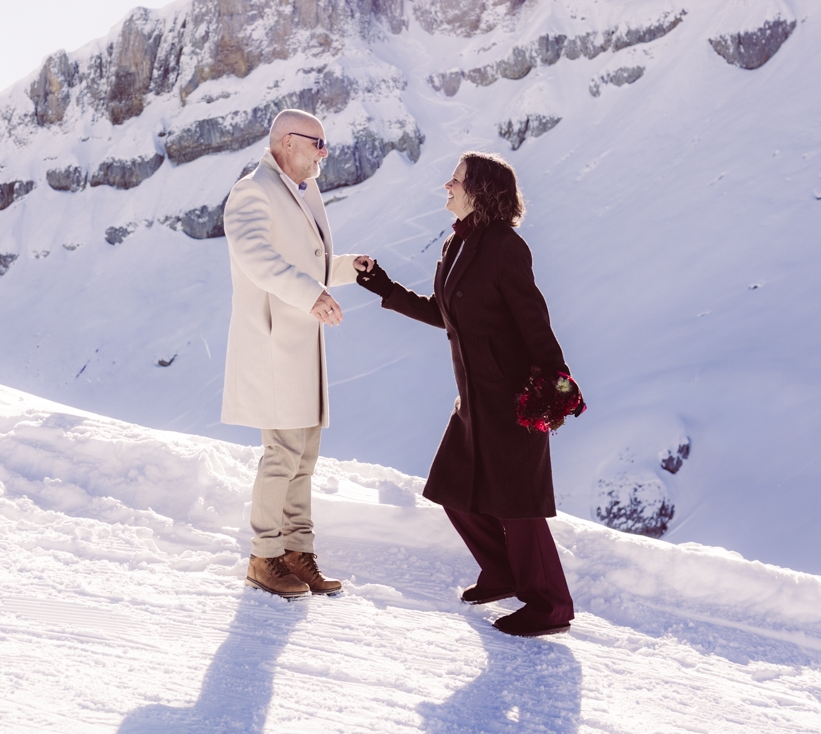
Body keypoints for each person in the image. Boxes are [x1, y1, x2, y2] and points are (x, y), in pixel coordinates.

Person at [353, 152, 577, 636]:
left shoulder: (504, 247)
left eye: (454, 180)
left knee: (519, 506)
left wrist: (556, 382)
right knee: (454, 490)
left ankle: (551, 605)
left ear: (480, 190)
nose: (446, 186)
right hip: (475, 400)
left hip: (514, 399)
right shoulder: (458, 245)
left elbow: (533, 319)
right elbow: (446, 313)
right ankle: (501, 573)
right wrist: (383, 287)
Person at [222, 108, 362, 598]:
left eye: (326, 145)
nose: (324, 153)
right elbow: (257, 257)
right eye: (316, 143)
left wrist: (347, 267)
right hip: (275, 343)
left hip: (301, 342)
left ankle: (297, 552)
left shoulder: (302, 191)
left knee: (304, 456)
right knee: (280, 455)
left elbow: (310, 261)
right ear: (285, 142)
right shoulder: (251, 191)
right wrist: (311, 294)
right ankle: (264, 557)